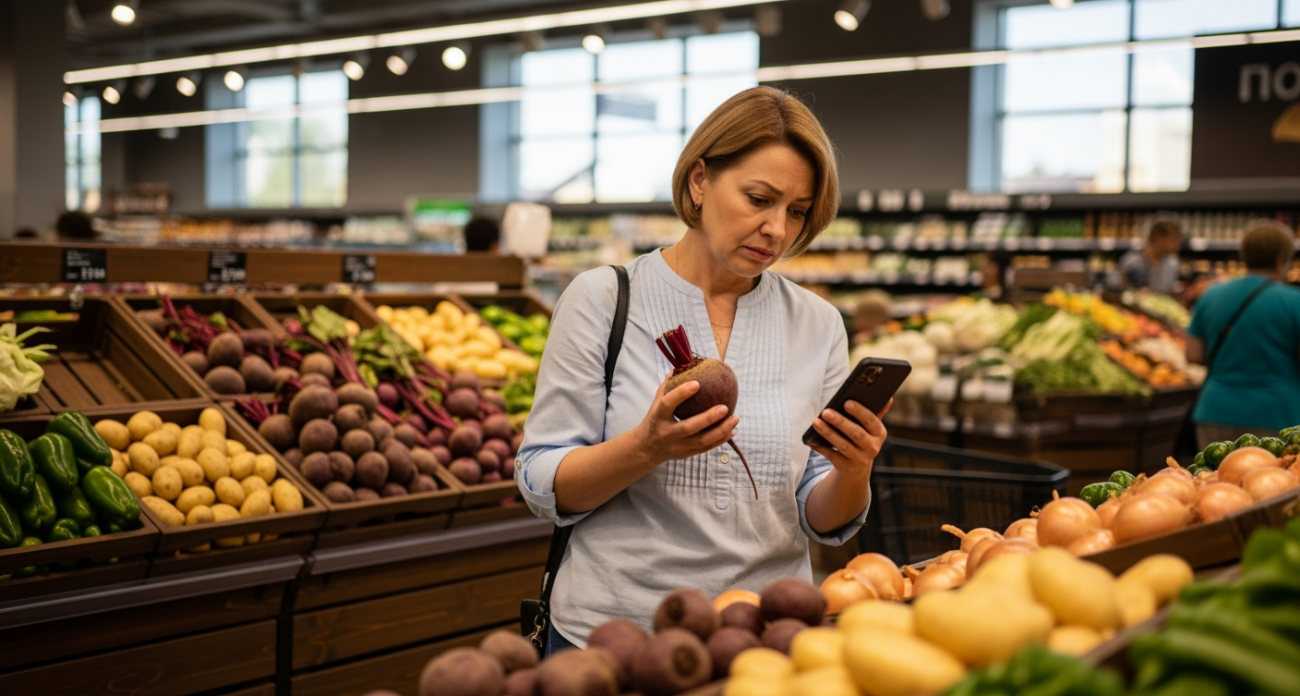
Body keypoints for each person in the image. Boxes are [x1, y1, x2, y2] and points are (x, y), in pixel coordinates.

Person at [516, 86, 889, 652]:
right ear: (699, 181)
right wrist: (647, 446)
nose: (777, 230)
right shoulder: (602, 299)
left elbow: (818, 513)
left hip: (764, 635)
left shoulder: (818, 323)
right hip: (613, 635)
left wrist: (853, 469)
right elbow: (542, 480)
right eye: (759, 199)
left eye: (797, 211)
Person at [1185, 220, 1300, 449]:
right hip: (1276, 414)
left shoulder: (1211, 295)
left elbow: (1193, 354)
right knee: (1273, 483)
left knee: (1214, 481)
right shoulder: (1294, 301)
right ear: (1281, 259)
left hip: (1214, 411)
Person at [1111, 218, 1182, 295]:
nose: (1177, 245)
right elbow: (1115, 288)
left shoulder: (1171, 265)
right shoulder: (1132, 262)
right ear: (1157, 238)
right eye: (1173, 240)